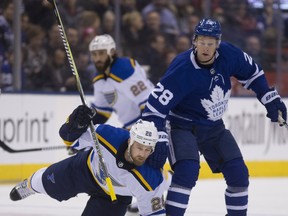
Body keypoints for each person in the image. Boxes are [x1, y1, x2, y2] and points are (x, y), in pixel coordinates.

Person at [141, 18, 287, 216]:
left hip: (213, 127)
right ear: (194, 41)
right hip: (182, 126)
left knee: (239, 175)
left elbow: (254, 74)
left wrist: (270, 99)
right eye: (202, 41)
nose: (206, 47)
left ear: (218, 44)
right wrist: (159, 137)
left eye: (211, 43)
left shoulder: (229, 54)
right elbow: (154, 108)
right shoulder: (181, 69)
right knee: (186, 172)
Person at [9, 105, 169, 216]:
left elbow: (154, 212)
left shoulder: (150, 180)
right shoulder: (108, 135)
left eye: (148, 150)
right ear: (130, 141)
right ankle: (29, 185)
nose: (143, 154)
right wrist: (75, 124)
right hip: (84, 170)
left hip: (114, 199)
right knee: (45, 182)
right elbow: (69, 140)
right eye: (139, 147)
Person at [65, 34, 154, 154]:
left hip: (148, 126)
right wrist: (83, 137)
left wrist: (143, 132)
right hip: (132, 128)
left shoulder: (124, 69)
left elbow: (149, 104)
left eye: (101, 53)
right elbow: (102, 113)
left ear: (111, 52)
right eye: (94, 54)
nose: (97, 58)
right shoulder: (99, 79)